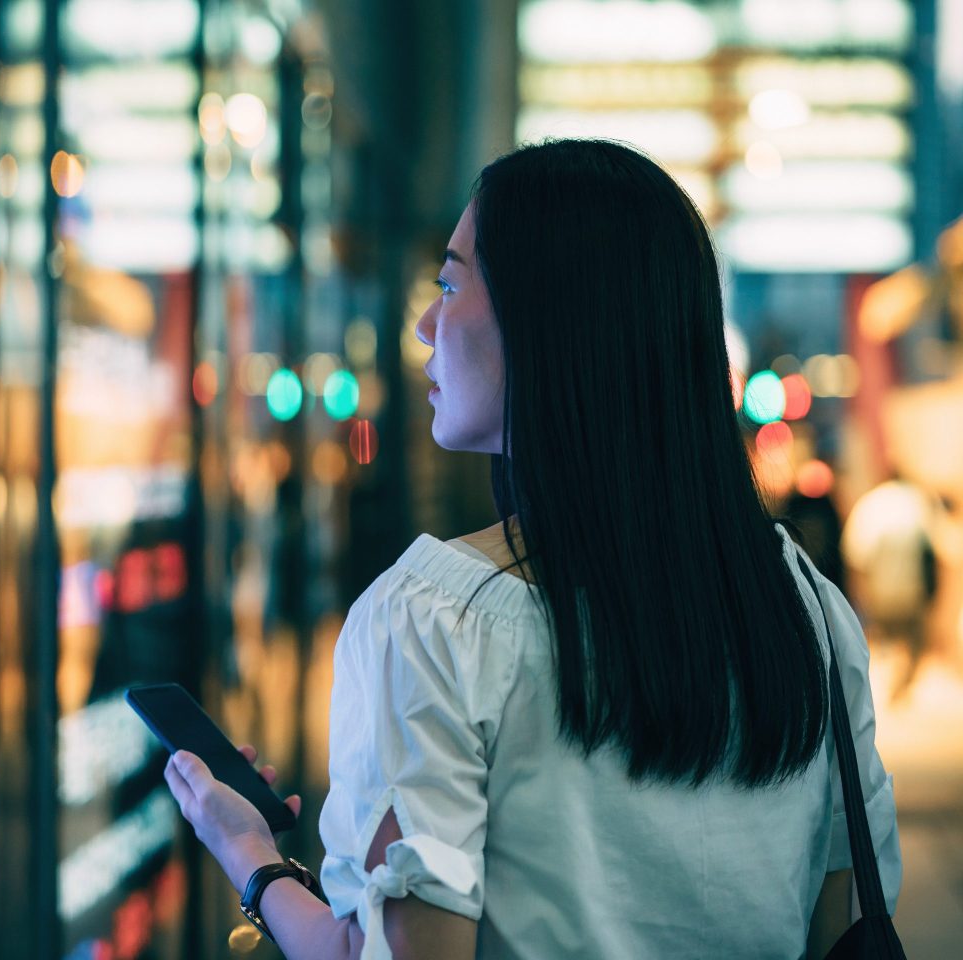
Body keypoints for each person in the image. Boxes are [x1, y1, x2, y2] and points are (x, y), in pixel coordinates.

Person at [162, 138, 902, 959]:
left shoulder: (437, 622)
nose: (423, 325)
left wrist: (251, 857)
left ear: (550, 317)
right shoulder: (806, 608)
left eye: (449, 284)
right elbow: (836, 925)